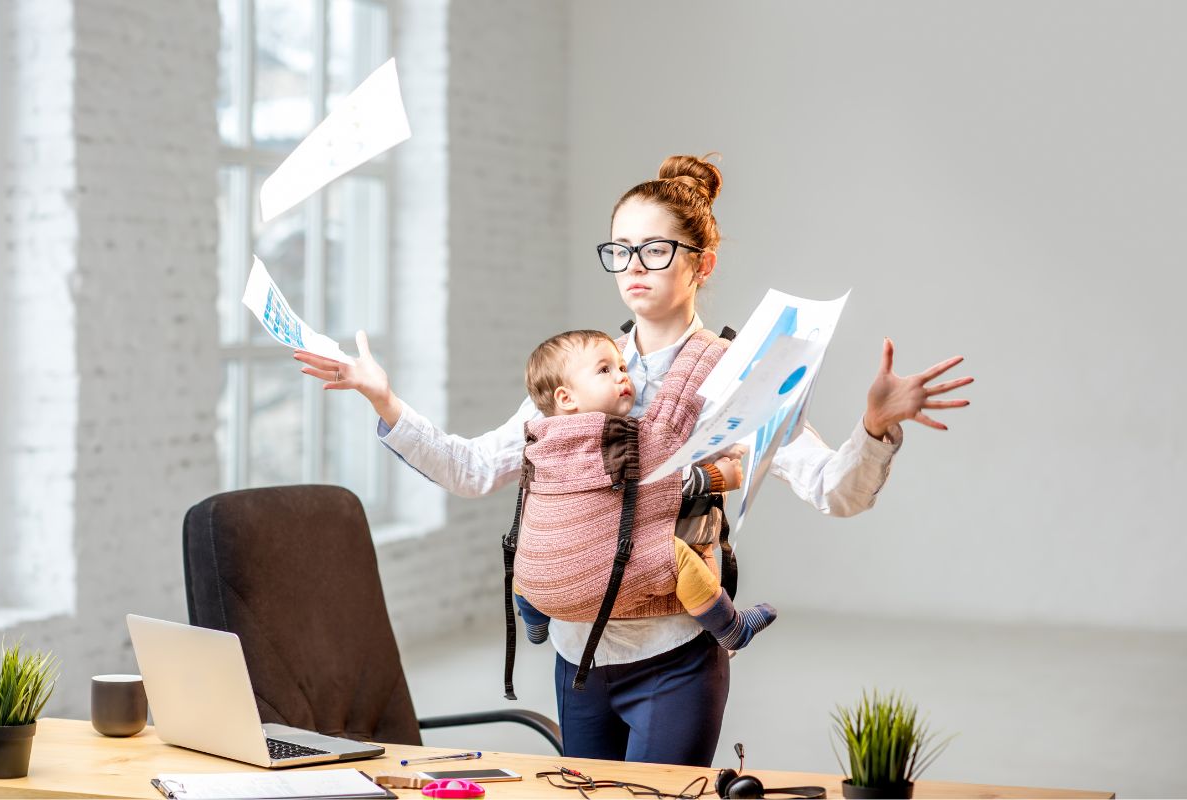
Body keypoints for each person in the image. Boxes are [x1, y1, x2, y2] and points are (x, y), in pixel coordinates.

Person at [293, 154, 973, 767]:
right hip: (576, 659)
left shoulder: (740, 374)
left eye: (655, 249)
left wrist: (875, 427)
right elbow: (473, 470)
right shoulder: (581, 371)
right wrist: (384, 402)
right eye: (620, 250)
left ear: (702, 263)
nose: (634, 267)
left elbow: (836, 491)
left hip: (674, 659)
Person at [512, 328, 775, 653]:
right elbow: (658, 483)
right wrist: (717, 477)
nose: (622, 376)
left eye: (622, 367)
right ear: (566, 397)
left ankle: (535, 623)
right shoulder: (611, 437)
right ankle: (730, 627)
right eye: (604, 370)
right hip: (593, 584)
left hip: (537, 587)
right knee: (680, 559)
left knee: (529, 550)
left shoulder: (537, 441)